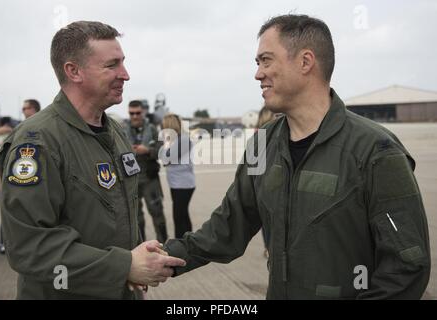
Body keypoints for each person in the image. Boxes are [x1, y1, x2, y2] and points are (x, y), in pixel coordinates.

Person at [164, 14, 430, 299]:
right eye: (258, 63)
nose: (258, 74)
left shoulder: (375, 150)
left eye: (266, 61)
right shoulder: (263, 144)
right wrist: (165, 259)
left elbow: (406, 266)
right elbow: (228, 227)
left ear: (305, 62)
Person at [0, 21, 185, 300]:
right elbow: (29, 246)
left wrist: (135, 263)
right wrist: (124, 266)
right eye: (112, 65)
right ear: (73, 71)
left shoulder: (116, 133)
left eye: (123, 63)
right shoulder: (37, 142)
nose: (126, 75)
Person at [0, 100, 40, 254]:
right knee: (9, 214)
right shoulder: (18, 128)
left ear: (33, 109)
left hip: (36, 181)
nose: (22, 110)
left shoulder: (45, 127)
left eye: (25, 108)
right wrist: (0, 181)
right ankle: (5, 243)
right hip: (18, 178)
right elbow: (4, 157)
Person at [124, 100, 168, 243]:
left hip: (150, 179)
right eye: (132, 113)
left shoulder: (152, 129)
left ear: (143, 112)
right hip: (131, 180)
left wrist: (148, 150)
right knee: (136, 218)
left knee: (157, 214)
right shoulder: (122, 130)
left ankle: (164, 246)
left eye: (137, 113)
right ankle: (140, 248)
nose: (135, 116)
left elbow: (161, 152)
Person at [160, 114, 195, 238]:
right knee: (183, 215)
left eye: (163, 126)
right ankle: (189, 243)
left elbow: (165, 159)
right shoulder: (178, 140)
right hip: (178, 184)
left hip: (183, 185)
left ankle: (181, 246)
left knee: (179, 217)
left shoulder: (183, 140)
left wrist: (167, 141)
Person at [255, 106, 275, 259]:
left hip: (263, 184)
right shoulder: (273, 134)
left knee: (265, 220)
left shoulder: (258, 135)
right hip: (272, 182)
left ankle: (268, 247)